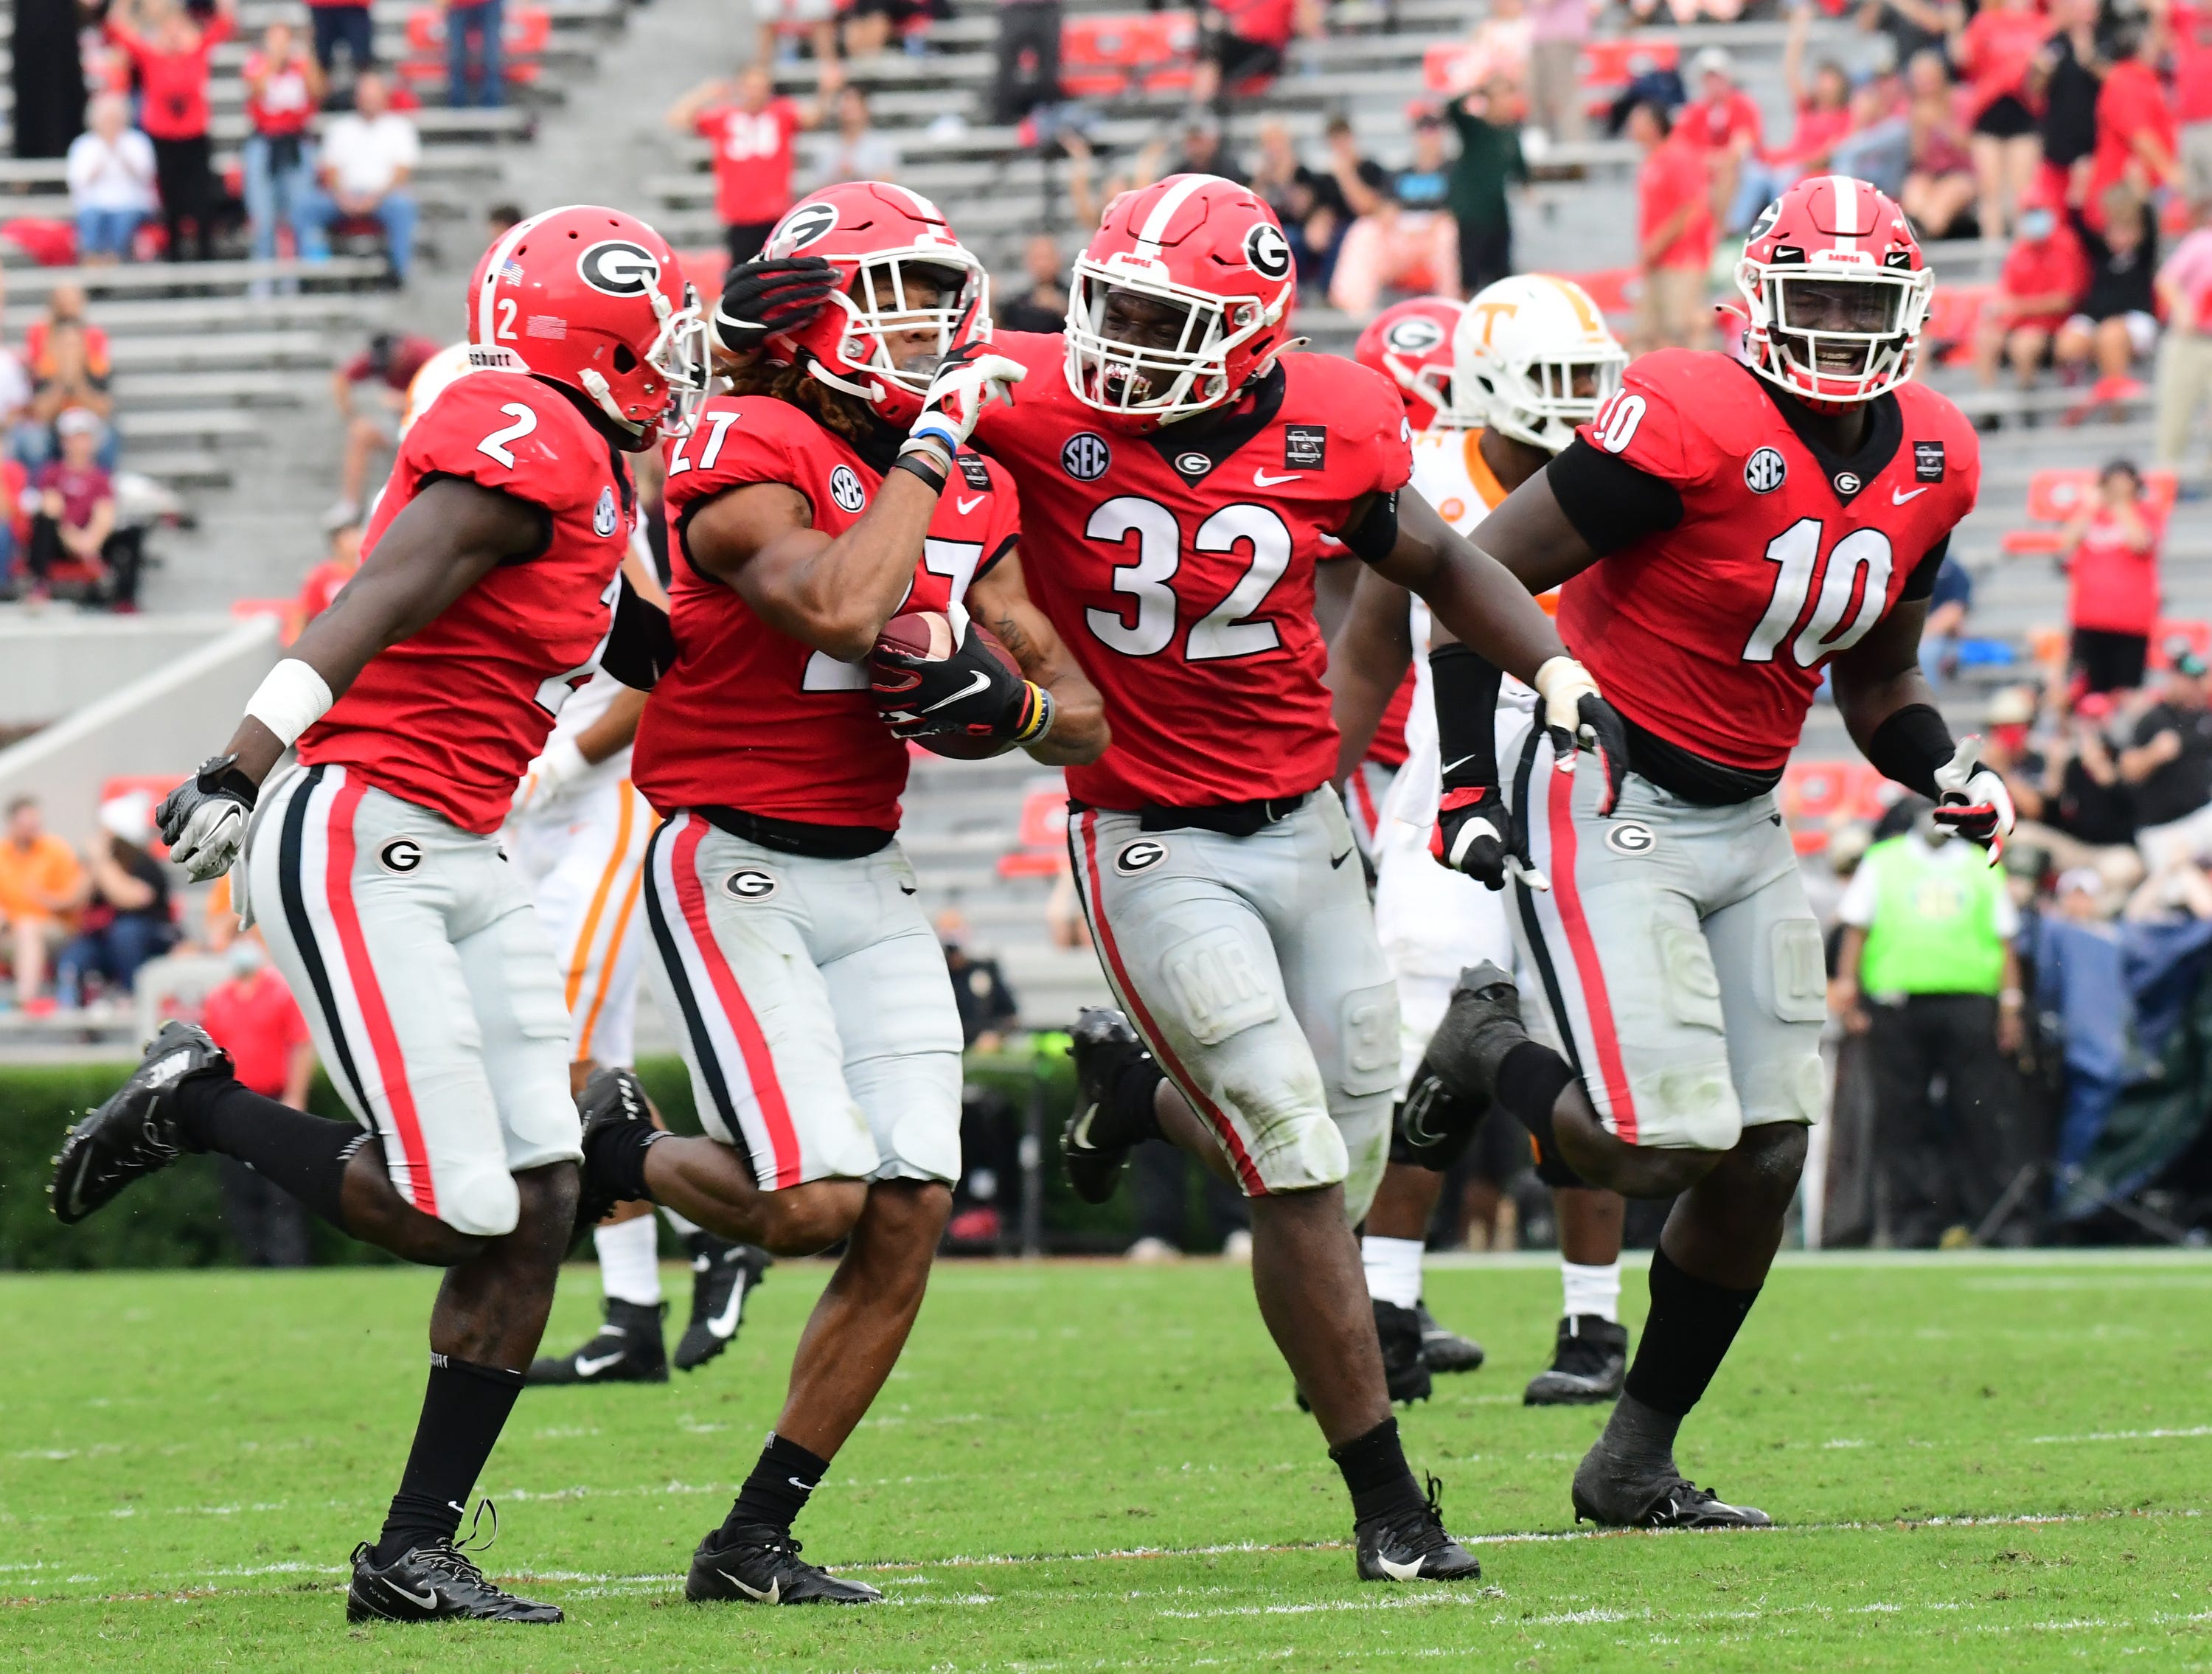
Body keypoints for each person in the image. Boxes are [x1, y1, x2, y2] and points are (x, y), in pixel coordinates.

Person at [958, 172, 1631, 1583]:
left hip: (1308, 822)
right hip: (1143, 827)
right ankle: (1392, 1504)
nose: (1124, 336)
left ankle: (1134, 1096)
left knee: (1347, 1141)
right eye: (1117, 301)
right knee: (1288, 1142)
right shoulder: (1020, 391)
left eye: (1165, 314)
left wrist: (1554, 662)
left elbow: (1441, 560)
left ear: (1252, 332)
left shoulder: (1335, 417)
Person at [50, 204, 709, 1625]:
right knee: (457, 1203)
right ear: (591, 338)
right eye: (658, 333)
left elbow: (658, 644)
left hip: (463, 847)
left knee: (540, 1199)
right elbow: (382, 591)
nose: (678, 359)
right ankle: (197, 1107)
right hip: (359, 827)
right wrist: (240, 757)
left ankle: (413, 1554)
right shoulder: (515, 430)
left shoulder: (594, 472)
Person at [1411, 176, 1995, 1527]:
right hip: (1604, 781)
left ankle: (1630, 1462)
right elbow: (1467, 577)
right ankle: (1482, 1047)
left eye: (1867, 301)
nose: (1842, 326)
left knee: (1769, 1155)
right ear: (1763, 297)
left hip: (1749, 811)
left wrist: (1949, 767)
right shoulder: (1689, 411)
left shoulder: (1936, 455)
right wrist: (1459, 783)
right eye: (1821, 296)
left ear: (1908, 312)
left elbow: (1882, 682)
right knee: (1652, 1144)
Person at [576, 185, 1101, 1604]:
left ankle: (752, 1540)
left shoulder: (971, 485)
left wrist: (1019, 716)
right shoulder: (748, 438)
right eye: (901, 303)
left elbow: (1082, 710)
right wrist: (932, 451)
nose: (935, 332)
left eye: (943, 301)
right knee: (810, 1207)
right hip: (729, 853)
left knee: (910, 1207)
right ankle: (605, 1149)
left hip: (868, 869)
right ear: (808, 326)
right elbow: (837, 609)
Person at [1329, 274, 1636, 1408]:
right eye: (1553, 381)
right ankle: (1387, 1302)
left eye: (1587, 381)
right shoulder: (1421, 479)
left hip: (1586, 791)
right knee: (1414, 1053)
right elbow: (1367, 648)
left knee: (1590, 1056)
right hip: (1442, 797)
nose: (1574, 404)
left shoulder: (1627, 481)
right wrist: (1310, 793)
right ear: (1491, 384)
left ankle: (1594, 1322)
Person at [510, 541, 772, 1388]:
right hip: (532, 816)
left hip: (606, 800)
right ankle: (635, 1314)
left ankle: (710, 1236)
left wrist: (571, 758)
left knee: (556, 1048)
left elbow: (659, 658)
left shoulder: (594, 509)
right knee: (595, 1071)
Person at [1829, 800, 2028, 1246]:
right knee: (1902, 1117)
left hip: (1969, 1001)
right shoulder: (1884, 862)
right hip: (1898, 1002)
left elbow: (2005, 938)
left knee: (1979, 1113)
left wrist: (2010, 1005)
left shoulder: (1981, 863)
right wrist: (1850, 991)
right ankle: (1912, 1222)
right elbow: (1855, 929)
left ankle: (1995, 1222)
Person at [199, 934, 319, 1267]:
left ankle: (289, 1260)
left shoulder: (280, 993)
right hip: (236, 1102)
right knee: (240, 1187)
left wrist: (296, 1095)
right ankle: (254, 1260)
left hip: (275, 1099)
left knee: (282, 1188)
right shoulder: (218, 999)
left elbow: (301, 1044)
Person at [106, 0, 234, 263]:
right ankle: (175, 261)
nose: (174, 35)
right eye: (169, 29)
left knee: (201, 202)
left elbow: (224, 25)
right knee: (172, 204)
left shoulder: (196, 53)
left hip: (194, 138)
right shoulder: (151, 56)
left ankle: (205, 259)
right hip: (164, 140)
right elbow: (117, 31)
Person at [667, 63, 819, 268]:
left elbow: (812, 119)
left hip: (775, 214)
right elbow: (677, 118)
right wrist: (704, 94)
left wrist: (826, 90)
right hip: (740, 217)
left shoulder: (781, 112)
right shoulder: (724, 117)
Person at [300, 72, 421, 285]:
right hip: (344, 196)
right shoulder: (340, 128)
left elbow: (401, 173)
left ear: (384, 97)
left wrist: (375, 198)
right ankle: (315, 269)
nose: (370, 102)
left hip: (384, 196)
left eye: (374, 97)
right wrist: (342, 197)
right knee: (306, 206)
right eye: (366, 97)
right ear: (357, 99)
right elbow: (331, 170)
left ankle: (398, 271)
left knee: (403, 207)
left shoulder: (400, 128)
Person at [56, 790, 175, 1004]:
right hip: (107, 939)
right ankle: (73, 1007)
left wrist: (101, 861)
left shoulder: (146, 865)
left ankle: (134, 997)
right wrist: (92, 867)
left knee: (125, 933)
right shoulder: (100, 867)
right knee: (76, 954)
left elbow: (130, 898)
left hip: (151, 935)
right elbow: (76, 901)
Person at [1973, 191, 2089, 406]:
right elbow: (2006, 295)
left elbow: (2065, 300)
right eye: (2029, 213)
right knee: (1986, 337)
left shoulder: (2065, 246)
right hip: (2020, 324)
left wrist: (2019, 307)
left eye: (2037, 212)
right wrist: (2001, 313)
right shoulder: (2019, 252)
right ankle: (1988, 404)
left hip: (2055, 327)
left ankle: (2027, 400)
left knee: (2025, 344)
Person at [2060, 459, 2161, 694]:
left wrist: (2122, 506)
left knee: (2124, 692)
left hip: (2130, 623)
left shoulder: (2146, 514)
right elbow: (2065, 545)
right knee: (2085, 692)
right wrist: (2092, 506)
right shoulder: (2091, 516)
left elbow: (2141, 542)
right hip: (2088, 620)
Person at [1948, 0, 2045, 240]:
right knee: (1990, 190)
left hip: (2024, 111)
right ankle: (1992, 252)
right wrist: (1954, 28)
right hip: (1989, 112)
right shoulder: (1986, 22)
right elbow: (1963, 58)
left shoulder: (2042, 24)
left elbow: (2044, 73)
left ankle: (2024, 251)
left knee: (2023, 191)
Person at [324, 330, 442, 529]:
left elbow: (447, 390)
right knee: (360, 434)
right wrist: (352, 417)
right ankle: (350, 504)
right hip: (399, 424)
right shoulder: (376, 360)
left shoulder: (426, 355)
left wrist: (407, 402)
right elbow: (341, 378)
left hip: (428, 424)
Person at [2054, 187, 2159, 397]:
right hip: (2096, 319)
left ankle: (2116, 406)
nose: (2118, 236)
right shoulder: (2100, 255)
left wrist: (2140, 189)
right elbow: (2076, 225)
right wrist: (2076, 200)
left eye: (2126, 230)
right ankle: (2076, 390)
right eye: (2114, 229)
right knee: (2068, 343)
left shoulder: (2142, 258)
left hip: (2134, 319)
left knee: (2110, 335)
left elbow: (2150, 219)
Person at [27, 407, 134, 606]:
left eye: (84, 437)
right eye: (74, 438)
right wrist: (76, 541)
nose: (79, 444)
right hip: (62, 538)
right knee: (45, 517)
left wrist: (90, 542)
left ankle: (125, 598)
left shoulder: (101, 478)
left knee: (132, 532)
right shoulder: (52, 473)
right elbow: (52, 508)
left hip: (91, 537)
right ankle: (40, 585)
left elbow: (104, 513)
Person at [1629, 100, 1714, 352]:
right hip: (1658, 260)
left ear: (1654, 126)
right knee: (1647, 333)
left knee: (1682, 330)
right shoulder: (1653, 159)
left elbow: (1691, 208)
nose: (1631, 128)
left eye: (1638, 121)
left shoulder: (1678, 156)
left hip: (1682, 259)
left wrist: (1657, 242)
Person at [242, 20, 324, 264]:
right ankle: (263, 272)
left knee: (301, 210)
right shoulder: (256, 64)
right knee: (263, 214)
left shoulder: (302, 65)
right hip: (265, 142)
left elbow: (319, 91)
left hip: (296, 141)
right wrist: (274, 61)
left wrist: (309, 55)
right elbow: (256, 89)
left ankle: (304, 272)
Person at [2121, 647, 2212, 869]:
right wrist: (2154, 754)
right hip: (2163, 828)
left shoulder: (2204, 718)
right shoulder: (2151, 719)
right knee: (2172, 893)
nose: (2193, 685)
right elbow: (2127, 771)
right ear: (2173, 678)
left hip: (2200, 819)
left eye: (2196, 679)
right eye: (2187, 679)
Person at [0, 793, 87, 1009]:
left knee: (28, 928)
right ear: (13, 824)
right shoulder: (2, 854)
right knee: (24, 930)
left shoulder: (55, 851)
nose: (32, 828)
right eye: (26, 823)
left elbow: (74, 899)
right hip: (10, 932)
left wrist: (46, 900)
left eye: (35, 822)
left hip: (55, 930)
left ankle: (25, 999)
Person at [1447, 79, 1528, 299]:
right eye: (1500, 97)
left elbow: (1520, 167)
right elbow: (1452, 108)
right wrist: (1477, 89)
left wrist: (1529, 187)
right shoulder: (1475, 129)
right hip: (1471, 213)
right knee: (1469, 277)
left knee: (1502, 275)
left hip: (1498, 213)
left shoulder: (1510, 133)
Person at [20, 285, 114, 466]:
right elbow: (41, 413)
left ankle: (99, 488)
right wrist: (62, 381)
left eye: (74, 345)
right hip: (53, 425)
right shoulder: (45, 361)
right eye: (64, 345)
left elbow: (103, 409)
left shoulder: (94, 362)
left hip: (85, 421)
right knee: (33, 440)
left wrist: (77, 380)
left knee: (106, 436)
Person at [2154, 201, 2212, 479]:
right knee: (2176, 416)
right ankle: (2168, 480)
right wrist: (2183, 308)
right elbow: (2166, 280)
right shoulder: (2202, 243)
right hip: (2192, 341)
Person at [66, 93, 156, 264]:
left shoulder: (136, 142)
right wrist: (103, 156)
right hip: (95, 201)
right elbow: (78, 182)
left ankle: (112, 258)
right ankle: (92, 258)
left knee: (124, 218)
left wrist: (120, 152)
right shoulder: (84, 145)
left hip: (130, 201)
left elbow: (146, 176)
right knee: (91, 218)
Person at [1901, 48, 1978, 240]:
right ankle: (1917, 234)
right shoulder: (1913, 108)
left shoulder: (1961, 99)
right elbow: (1917, 158)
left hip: (1962, 173)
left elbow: (1971, 146)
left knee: (1944, 198)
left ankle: (1925, 233)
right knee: (1914, 192)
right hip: (1928, 174)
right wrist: (1920, 130)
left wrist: (1941, 123)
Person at [1189, 0, 1317, 111]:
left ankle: (1202, 106)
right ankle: (1202, 106)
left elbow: (1308, 28)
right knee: (1210, 41)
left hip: (1266, 51)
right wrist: (1229, 24)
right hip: (1230, 44)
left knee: (1213, 46)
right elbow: (1214, 13)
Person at [939, 910, 1019, 1049]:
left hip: (981, 1048)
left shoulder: (984, 970)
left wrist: (995, 1035)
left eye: (956, 931)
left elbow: (1010, 1016)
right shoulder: (936, 975)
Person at [1525, 0, 1590, 145]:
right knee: (1537, 97)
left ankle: (1575, 154)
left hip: (1563, 35)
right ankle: (1538, 152)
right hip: (1540, 36)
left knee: (1564, 95)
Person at [814, 82, 897, 189]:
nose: (847, 108)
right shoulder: (826, 147)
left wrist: (856, 174)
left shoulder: (883, 144)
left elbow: (889, 183)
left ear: (865, 108)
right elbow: (819, 188)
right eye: (845, 102)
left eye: (853, 103)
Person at [996, 233, 1068, 333]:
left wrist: (1062, 308)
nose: (1043, 264)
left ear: (1059, 259)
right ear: (1028, 262)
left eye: (1047, 257)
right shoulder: (1018, 304)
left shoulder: (1074, 297)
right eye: (1038, 258)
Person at [440, 0, 504, 108]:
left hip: (490, 4)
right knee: (456, 53)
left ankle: (492, 99)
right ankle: (457, 99)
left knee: (492, 53)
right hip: (458, 5)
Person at [305, 0, 375, 86]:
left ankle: (368, 96)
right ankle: (320, 97)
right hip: (322, 6)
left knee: (363, 60)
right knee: (320, 59)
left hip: (356, 7)